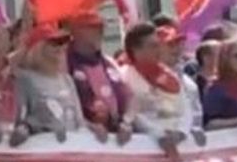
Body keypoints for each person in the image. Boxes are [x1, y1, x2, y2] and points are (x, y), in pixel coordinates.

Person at [13, 22, 92, 145]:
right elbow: (20, 118)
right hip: (42, 150)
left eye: (64, 42)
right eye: (55, 43)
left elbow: (79, 120)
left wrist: (93, 128)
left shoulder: (67, 80)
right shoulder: (24, 79)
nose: (61, 47)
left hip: (71, 148)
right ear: (39, 47)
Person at [121, 22, 193, 153]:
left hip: (178, 141)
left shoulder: (170, 75)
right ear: (136, 49)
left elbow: (186, 108)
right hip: (148, 148)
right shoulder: (125, 77)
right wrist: (159, 134)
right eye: (152, 46)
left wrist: (181, 132)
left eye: (158, 45)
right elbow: (134, 115)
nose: (158, 50)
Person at [65, 10, 130, 139]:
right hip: (82, 139)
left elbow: (127, 97)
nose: (100, 32)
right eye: (92, 27)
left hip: (114, 138)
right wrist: (88, 126)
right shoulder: (64, 63)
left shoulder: (109, 63)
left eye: (101, 27)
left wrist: (127, 122)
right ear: (75, 31)